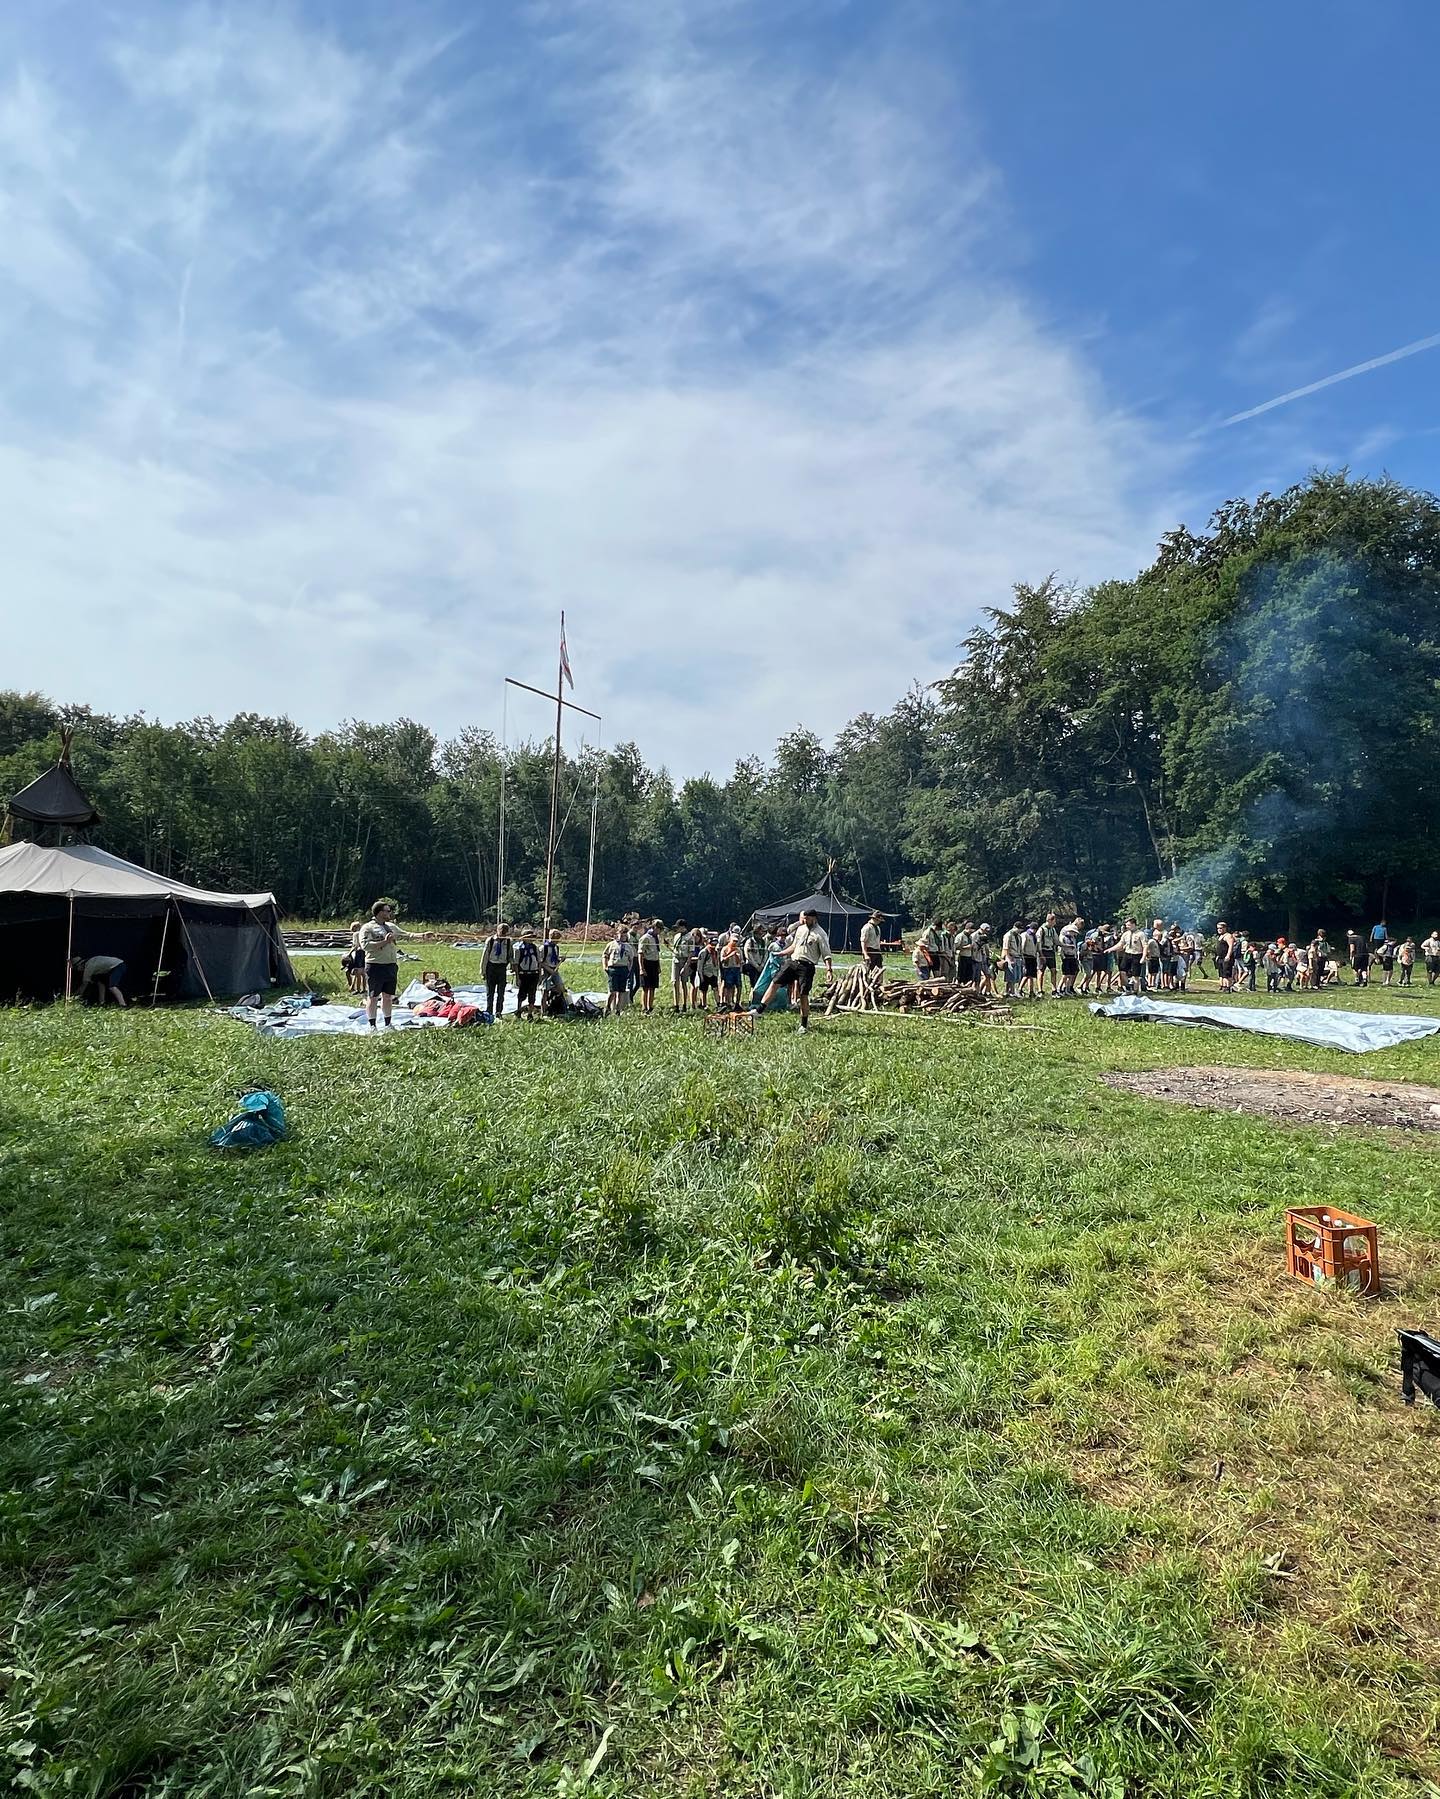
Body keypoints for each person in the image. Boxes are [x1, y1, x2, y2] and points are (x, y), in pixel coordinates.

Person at [754, 905, 833, 1032]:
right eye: (804, 919)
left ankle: (803, 1025)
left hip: (807, 966)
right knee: (775, 982)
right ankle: (759, 1011)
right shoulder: (800, 929)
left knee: (803, 995)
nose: (804, 921)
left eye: (807, 919)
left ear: (814, 919)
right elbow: (794, 946)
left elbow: (826, 954)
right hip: (792, 962)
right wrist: (781, 953)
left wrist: (829, 970)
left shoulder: (820, 934)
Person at [360, 900, 432, 1028]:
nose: (390, 913)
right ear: (379, 912)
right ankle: (372, 1026)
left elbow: (406, 934)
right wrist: (385, 942)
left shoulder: (391, 926)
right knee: (373, 996)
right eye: (387, 911)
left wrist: (422, 935)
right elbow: (365, 946)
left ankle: (388, 1024)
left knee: (388, 997)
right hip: (375, 965)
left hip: (391, 966)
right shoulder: (368, 928)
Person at [481, 922, 514, 1020]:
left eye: (505, 932)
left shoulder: (508, 942)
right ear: (497, 930)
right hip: (491, 967)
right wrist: (483, 971)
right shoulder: (491, 940)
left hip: (502, 968)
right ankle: (489, 1011)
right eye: (501, 931)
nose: (503, 934)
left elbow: (510, 955)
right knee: (490, 992)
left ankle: (499, 1011)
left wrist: (512, 965)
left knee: (501, 992)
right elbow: (485, 956)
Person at [603, 926, 635, 1016]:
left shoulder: (628, 947)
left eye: (624, 935)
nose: (622, 936)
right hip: (613, 968)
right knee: (612, 990)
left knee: (621, 991)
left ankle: (618, 1009)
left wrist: (629, 968)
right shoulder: (611, 944)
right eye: (621, 934)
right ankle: (608, 1007)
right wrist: (605, 966)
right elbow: (605, 955)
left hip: (623, 969)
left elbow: (631, 959)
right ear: (617, 934)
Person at [513, 928, 543, 1020]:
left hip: (533, 973)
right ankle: (518, 1010)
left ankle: (530, 1014)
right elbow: (516, 964)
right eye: (529, 937)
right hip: (523, 974)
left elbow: (539, 962)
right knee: (521, 993)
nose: (531, 939)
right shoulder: (518, 948)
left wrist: (539, 974)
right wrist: (517, 977)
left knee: (532, 994)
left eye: (532, 937)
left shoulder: (535, 948)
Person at [636, 919, 664, 1014]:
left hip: (654, 963)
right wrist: (641, 968)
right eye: (659, 929)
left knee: (653, 987)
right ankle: (644, 1008)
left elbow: (657, 953)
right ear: (655, 927)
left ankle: (650, 1007)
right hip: (646, 963)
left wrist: (658, 965)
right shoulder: (645, 938)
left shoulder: (656, 938)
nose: (660, 931)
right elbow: (640, 953)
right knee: (646, 987)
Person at [671, 921, 695, 1012]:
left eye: (679, 927)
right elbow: (675, 949)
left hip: (684, 960)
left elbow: (691, 952)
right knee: (674, 982)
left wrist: (686, 966)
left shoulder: (690, 937)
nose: (677, 929)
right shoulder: (676, 936)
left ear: (684, 927)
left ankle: (684, 1004)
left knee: (684, 983)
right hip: (676, 960)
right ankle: (676, 1005)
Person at [692, 932, 720, 1010]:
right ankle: (704, 1005)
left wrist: (717, 973)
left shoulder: (716, 952)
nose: (714, 946)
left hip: (713, 973)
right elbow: (700, 965)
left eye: (715, 944)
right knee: (703, 990)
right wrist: (700, 976)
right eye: (712, 944)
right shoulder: (704, 952)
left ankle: (718, 1004)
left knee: (715, 988)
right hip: (705, 974)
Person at [719, 930, 746, 1010]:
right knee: (729, 987)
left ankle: (737, 1003)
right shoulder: (724, 949)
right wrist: (730, 955)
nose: (735, 943)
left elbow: (741, 961)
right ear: (729, 940)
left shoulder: (738, 950)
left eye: (736, 941)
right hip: (728, 969)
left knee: (739, 986)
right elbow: (722, 960)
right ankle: (728, 1002)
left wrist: (738, 958)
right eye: (733, 941)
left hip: (736, 969)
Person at [744, 923, 770, 993]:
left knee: (760, 983)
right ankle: (752, 1000)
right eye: (761, 932)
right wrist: (756, 966)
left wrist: (762, 965)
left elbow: (766, 954)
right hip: (752, 966)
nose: (762, 934)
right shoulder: (749, 942)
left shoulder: (763, 942)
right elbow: (748, 956)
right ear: (756, 932)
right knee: (753, 984)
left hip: (761, 966)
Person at [342, 920, 367, 994]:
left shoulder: (356, 934)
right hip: (364, 952)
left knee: (357, 972)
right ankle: (364, 989)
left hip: (358, 953)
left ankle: (358, 989)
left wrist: (349, 953)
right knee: (363, 972)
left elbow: (355, 945)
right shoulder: (363, 933)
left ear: (355, 927)